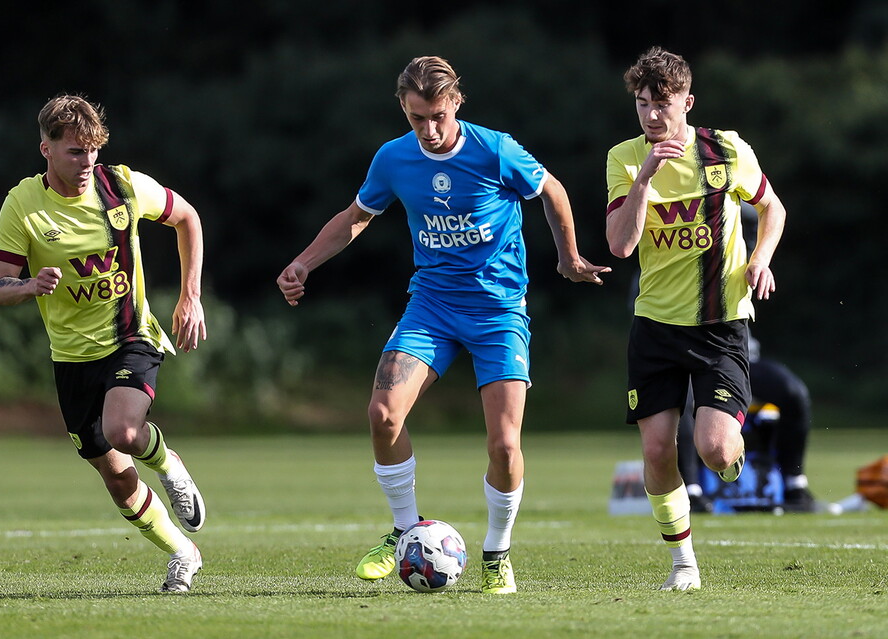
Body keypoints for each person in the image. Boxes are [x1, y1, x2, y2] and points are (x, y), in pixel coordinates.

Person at [277, 56, 609, 594]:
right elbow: (356, 217)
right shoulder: (393, 159)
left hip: (499, 311)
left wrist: (569, 257)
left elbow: (553, 191)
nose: (428, 130)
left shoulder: (495, 149)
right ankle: (405, 531)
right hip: (430, 307)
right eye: (416, 118)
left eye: (436, 115)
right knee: (383, 414)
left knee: (504, 446)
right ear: (403, 111)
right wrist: (303, 263)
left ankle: (497, 553)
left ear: (455, 102)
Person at [0, 95, 208, 593]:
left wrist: (190, 295)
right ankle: (183, 553)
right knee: (116, 478)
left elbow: (187, 218)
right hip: (71, 358)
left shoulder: (124, 186)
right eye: (73, 152)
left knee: (125, 432)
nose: (87, 163)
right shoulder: (22, 204)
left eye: (93, 150)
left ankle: (170, 466)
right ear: (45, 149)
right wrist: (27, 286)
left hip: (131, 336)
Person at [605, 47, 787, 590]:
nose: (652, 115)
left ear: (687, 101)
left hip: (720, 325)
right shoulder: (624, 158)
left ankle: (732, 462)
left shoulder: (726, 150)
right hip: (656, 328)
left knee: (714, 449)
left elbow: (772, 207)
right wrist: (645, 179)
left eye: (662, 104)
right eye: (642, 104)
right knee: (658, 451)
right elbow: (620, 245)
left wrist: (760, 259)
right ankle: (684, 564)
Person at [679, 333, 816, 513]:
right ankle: (690, 490)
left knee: (794, 392)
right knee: (680, 398)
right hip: (689, 364)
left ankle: (794, 483)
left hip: (737, 357)